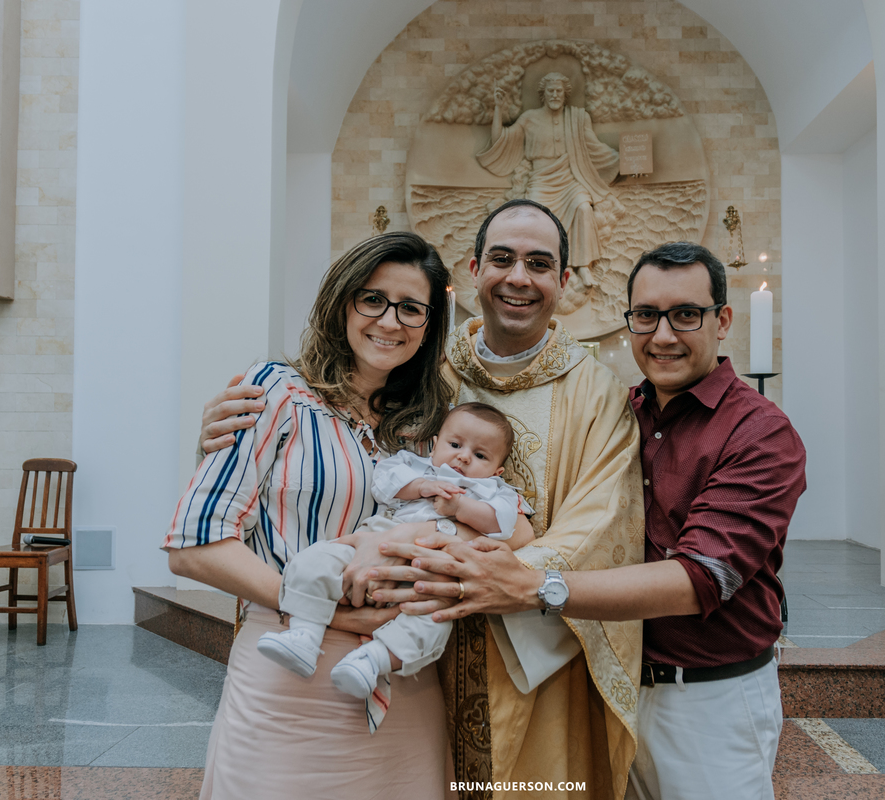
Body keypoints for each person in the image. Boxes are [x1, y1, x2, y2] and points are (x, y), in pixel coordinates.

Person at [199, 198, 645, 800]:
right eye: (503, 259)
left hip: (516, 652)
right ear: (474, 269)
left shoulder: (596, 393)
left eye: (539, 263)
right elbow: (324, 462)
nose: (519, 276)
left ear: (564, 280)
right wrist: (226, 441)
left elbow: (600, 523)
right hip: (387, 646)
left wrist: (481, 575)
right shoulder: (423, 369)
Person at [375, 242, 807, 800]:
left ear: (722, 320)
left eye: (686, 315)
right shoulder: (622, 407)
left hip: (704, 698)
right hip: (607, 677)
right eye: (646, 316)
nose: (664, 335)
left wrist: (534, 584)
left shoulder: (759, 433)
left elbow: (701, 577)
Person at [162, 231, 457, 800]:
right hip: (288, 676)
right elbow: (194, 546)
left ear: (428, 326)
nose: (389, 321)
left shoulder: (434, 428)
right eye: (371, 299)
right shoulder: (275, 391)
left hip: (404, 681)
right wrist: (333, 617)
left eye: (411, 308)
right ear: (341, 302)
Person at [256, 402, 534, 710]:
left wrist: (461, 509)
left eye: (480, 455)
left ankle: (372, 661)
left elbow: (506, 523)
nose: (463, 456)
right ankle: (304, 636)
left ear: (497, 471)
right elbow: (383, 482)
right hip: (377, 540)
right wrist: (420, 486)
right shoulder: (416, 466)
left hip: (432, 569)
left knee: (432, 621)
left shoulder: (496, 491)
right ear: (435, 445)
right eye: (454, 444)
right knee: (318, 560)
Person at [479, 72, 619, 280]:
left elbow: (593, 147)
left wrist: (621, 159)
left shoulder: (578, 118)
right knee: (535, 219)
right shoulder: (530, 118)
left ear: (565, 95)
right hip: (541, 179)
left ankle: (582, 266)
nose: (555, 95)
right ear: (543, 95)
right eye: (550, 91)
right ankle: (539, 264)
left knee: (582, 207)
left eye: (558, 92)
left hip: (570, 178)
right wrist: (498, 109)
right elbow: (501, 139)